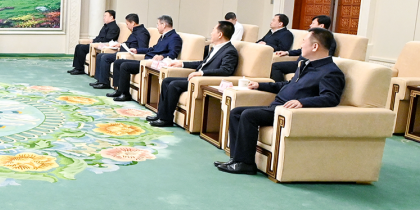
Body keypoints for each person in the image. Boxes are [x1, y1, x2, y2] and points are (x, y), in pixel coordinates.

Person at [217, 27, 345, 175]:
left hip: (287, 111)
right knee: (236, 112)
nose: (301, 45)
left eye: (304, 42)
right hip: (277, 106)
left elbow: (331, 98)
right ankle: (236, 159)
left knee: (247, 115)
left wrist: (303, 102)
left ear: (315, 46)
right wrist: (260, 85)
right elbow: (288, 85)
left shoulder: (330, 71)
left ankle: (245, 164)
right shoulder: (306, 65)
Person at [147, 21, 239, 128]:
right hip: (197, 78)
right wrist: (182, 64)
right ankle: (161, 115)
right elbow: (203, 63)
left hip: (204, 81)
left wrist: (201, 73)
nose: (211, 33)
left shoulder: (230, 51)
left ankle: (166, 119)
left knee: (173, 85)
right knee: (167, 81)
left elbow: (225, 70)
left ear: (220, 34)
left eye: (213, 30)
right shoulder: (216, 48)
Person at [108, 15, 183, 102]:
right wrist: (137, 50)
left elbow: (173, 54)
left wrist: (162, 56)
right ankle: (119, 90)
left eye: (158, 24)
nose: (157, 27)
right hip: (146, 60)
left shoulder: (175, 37)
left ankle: (125, 94)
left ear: (164, 25)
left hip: (152, 63)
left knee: (125, 65)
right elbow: (153, 49)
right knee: (118, 62)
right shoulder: (163, 36)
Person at [90, 14, 150, 89]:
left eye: (127, 24)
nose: (127, 26)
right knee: (100, 55)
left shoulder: (142, 33)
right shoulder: (135, 31)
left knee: (105, 57)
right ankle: (100, 80)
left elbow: (142, 47)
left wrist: (133, 49)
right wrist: (120, 44)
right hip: (122, 52)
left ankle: (105, 83)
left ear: (133, 23)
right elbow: (130, 42)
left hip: (128, 55)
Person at [271, 15, 338, 81]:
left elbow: (326, 56)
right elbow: (302, 49)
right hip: (300, 63)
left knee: (276, 66)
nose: (310, 25)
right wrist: (287, 52)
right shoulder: (314, 37)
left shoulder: (328, 40)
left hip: (308, 65)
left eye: (313, 23)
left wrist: (307, 63)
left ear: (321, 26)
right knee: (275, 66)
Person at [68, 10, 119, 75]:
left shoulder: (114, 28)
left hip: (101, 45)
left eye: (105, 16)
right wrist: (93, 40)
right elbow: (100, 36)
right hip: (96, 43)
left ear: (111, 17)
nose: (103, 18)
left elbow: (107, 39)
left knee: (81, 48)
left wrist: (95, 42)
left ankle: (80, 69)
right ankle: (77, 67)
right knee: (78, 46)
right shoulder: (106, 26)